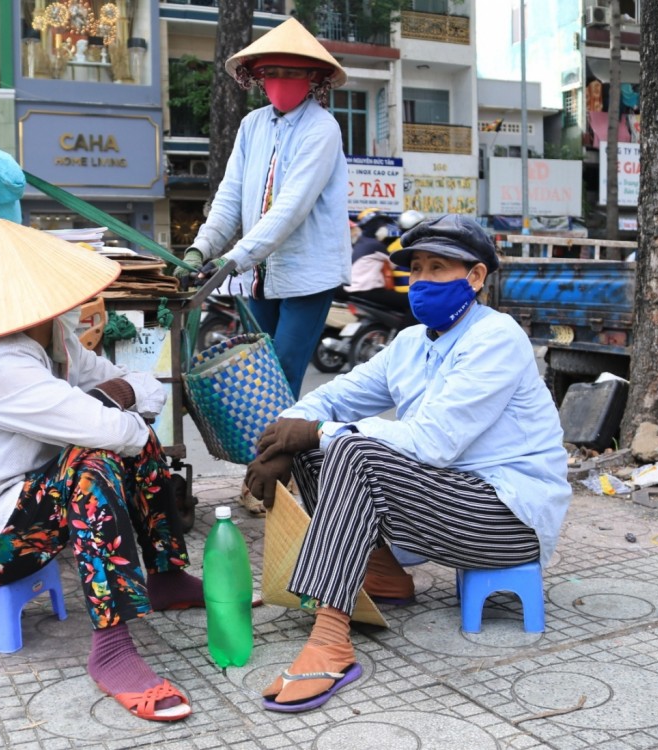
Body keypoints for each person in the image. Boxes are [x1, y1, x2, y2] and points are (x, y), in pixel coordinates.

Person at [244, 215, 571, 713]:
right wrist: (282, 440)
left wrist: (318, 432)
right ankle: (385, 576)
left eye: (438, 268)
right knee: (317, 445)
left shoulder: (496, 337)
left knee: (351, 447)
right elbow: (335, 396)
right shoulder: (412, 343)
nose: (421, 281)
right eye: (416, 269)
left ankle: (331, 640)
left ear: (476, 277)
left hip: (509, 516)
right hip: (452, 498)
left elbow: (432, 443)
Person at [0, 219, 201, 723]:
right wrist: (118, 408)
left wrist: (120, 402)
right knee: (94, 462)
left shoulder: (54, 342)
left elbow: (137, 388)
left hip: (14, 506)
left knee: (119, 442)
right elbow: (120, 429)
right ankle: (111, 648)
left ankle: (167, 576)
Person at [173, 17, 351, 402]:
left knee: (283, 375)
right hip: (258, 277)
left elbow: (290, 209)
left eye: (293, 72)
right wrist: (200, 249)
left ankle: (281, 459)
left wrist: (232, 259)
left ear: (312, 79)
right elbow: (230, 196)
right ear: (259, 76)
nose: (282, 80)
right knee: (257, 376)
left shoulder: (322, 128)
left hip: (308, 275)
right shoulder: (252, 125)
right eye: (273, 72)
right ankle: (263, 457)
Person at [343, 208, 411, 312]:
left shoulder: (360, 243)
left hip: (353, 290)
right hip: (369, 291)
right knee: (410, 301)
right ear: (373, 226)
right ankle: (403, 328)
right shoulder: (375, 245)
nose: (384, 229)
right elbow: (395, 262)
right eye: (382, 225)